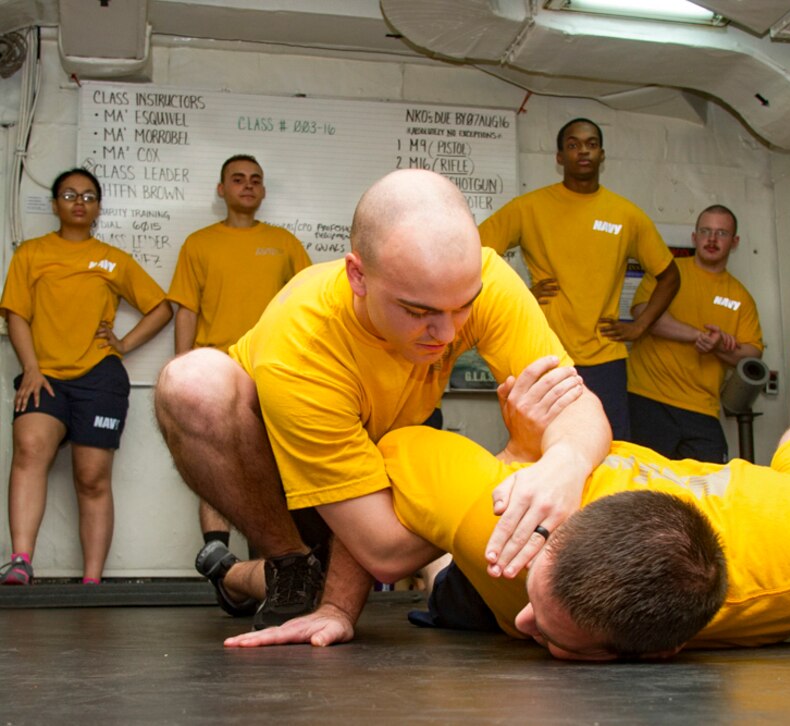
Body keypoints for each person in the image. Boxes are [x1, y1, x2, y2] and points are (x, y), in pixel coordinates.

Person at [154, 169, 610, 629]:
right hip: (281, 466)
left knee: (443, 575)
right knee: (192, 382)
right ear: (358, 276)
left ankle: (234, 574)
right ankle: (287, 562)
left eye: (463, 306)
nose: (448, 333)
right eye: (418, 311)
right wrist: (515, 457)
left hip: (383, 452)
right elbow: (385, 553)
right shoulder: (303, 339)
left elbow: (573, 403)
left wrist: (565, 464)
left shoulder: (486, 280)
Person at [225, 413, 790, 658]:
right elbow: (384, 457)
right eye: (539, 607)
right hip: (487, 554)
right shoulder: (506, 533)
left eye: (556, 640)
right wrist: (336, 610)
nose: (527, 624)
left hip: (484, 579)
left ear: (659, 655)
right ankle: (238, 574)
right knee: (401, 555)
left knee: (437, 587)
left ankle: (227, 570)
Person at [0, 168, 172, 585]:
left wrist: (124, 344)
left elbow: (162, 307)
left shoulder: (113, 258)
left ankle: (92, 580)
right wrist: (32, 370)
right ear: (56, 203)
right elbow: (16, 314)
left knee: (91, 476)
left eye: (89, 196)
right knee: (29, 448)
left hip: (99, 378)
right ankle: (21, 560)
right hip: (43, 377)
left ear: (97, 207)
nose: (79, 202)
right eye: (70, 194)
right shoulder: (31, 254)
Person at [167, 154, 311, 612]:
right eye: (237, 179)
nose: (247, 186)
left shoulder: (284, 243)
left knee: (268, 470)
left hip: (272, 368)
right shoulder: (198, 243)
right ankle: (219, 558)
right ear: (221, 189)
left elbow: (306, 301)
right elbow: (185, 309)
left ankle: (272, 570)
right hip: (215, 367)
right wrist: (182, 367)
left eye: (255, 180)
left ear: (263, 191)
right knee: (217, 462)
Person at [479, 117, 680, 440]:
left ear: (602, 154)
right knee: (544, 447)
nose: (582, 151)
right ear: (560, 157)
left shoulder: (626, 215)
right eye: (573, 145)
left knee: (611, 452)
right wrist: (522, 295)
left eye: (591, 144)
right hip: (546, 355)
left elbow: (670, 276)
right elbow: (474, 254)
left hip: (606, 358)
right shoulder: (528, 207)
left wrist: (639, 328)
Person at [626, 204, 762, 462]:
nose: (712, 239)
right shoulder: (668, 274)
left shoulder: (741, 297)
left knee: (707, 492)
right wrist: (698, 336)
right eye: (706, 231)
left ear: (734, 242)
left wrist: (719, 345)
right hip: (648, 401)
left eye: (721, 233)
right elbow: (646, 317)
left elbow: (751, 354)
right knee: (643, 491)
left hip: (702, 409)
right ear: (694, 237)